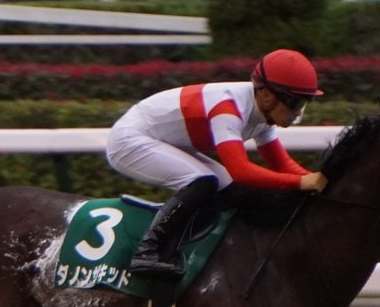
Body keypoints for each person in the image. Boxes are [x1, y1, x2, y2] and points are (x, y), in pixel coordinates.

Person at [105, 48, 328, 279]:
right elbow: (241, 170)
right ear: (267, 95)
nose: (296, 113)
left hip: (162, 139)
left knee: (234, 191)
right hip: (130, 139)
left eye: (303, 104)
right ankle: (146, 252)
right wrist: (301, 182)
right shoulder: (228, 108)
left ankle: (196, 248)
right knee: (203, 182)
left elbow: (281, 163)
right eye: (294, 103)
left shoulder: (264, 113)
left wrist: (319, 184)